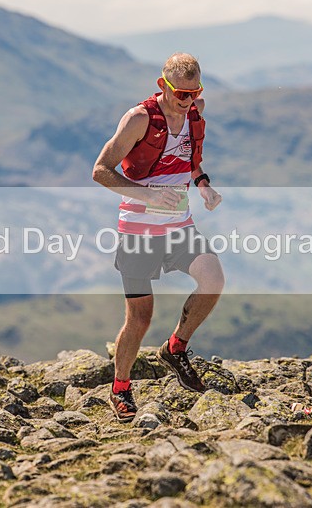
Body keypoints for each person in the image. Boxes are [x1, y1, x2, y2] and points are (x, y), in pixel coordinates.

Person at [93, 52, 225, 422]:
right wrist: (148, 194)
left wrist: (204, 186)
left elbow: (190, 159)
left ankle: (175, 347)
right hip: (137, 229)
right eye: (179, 94)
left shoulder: (194, 114)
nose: (186, 101)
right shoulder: (139, 119)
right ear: (162, 86)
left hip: (179, 225)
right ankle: (120, 388)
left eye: (193, 93)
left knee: (213, 281)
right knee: (140, 317)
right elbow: (100, 171)